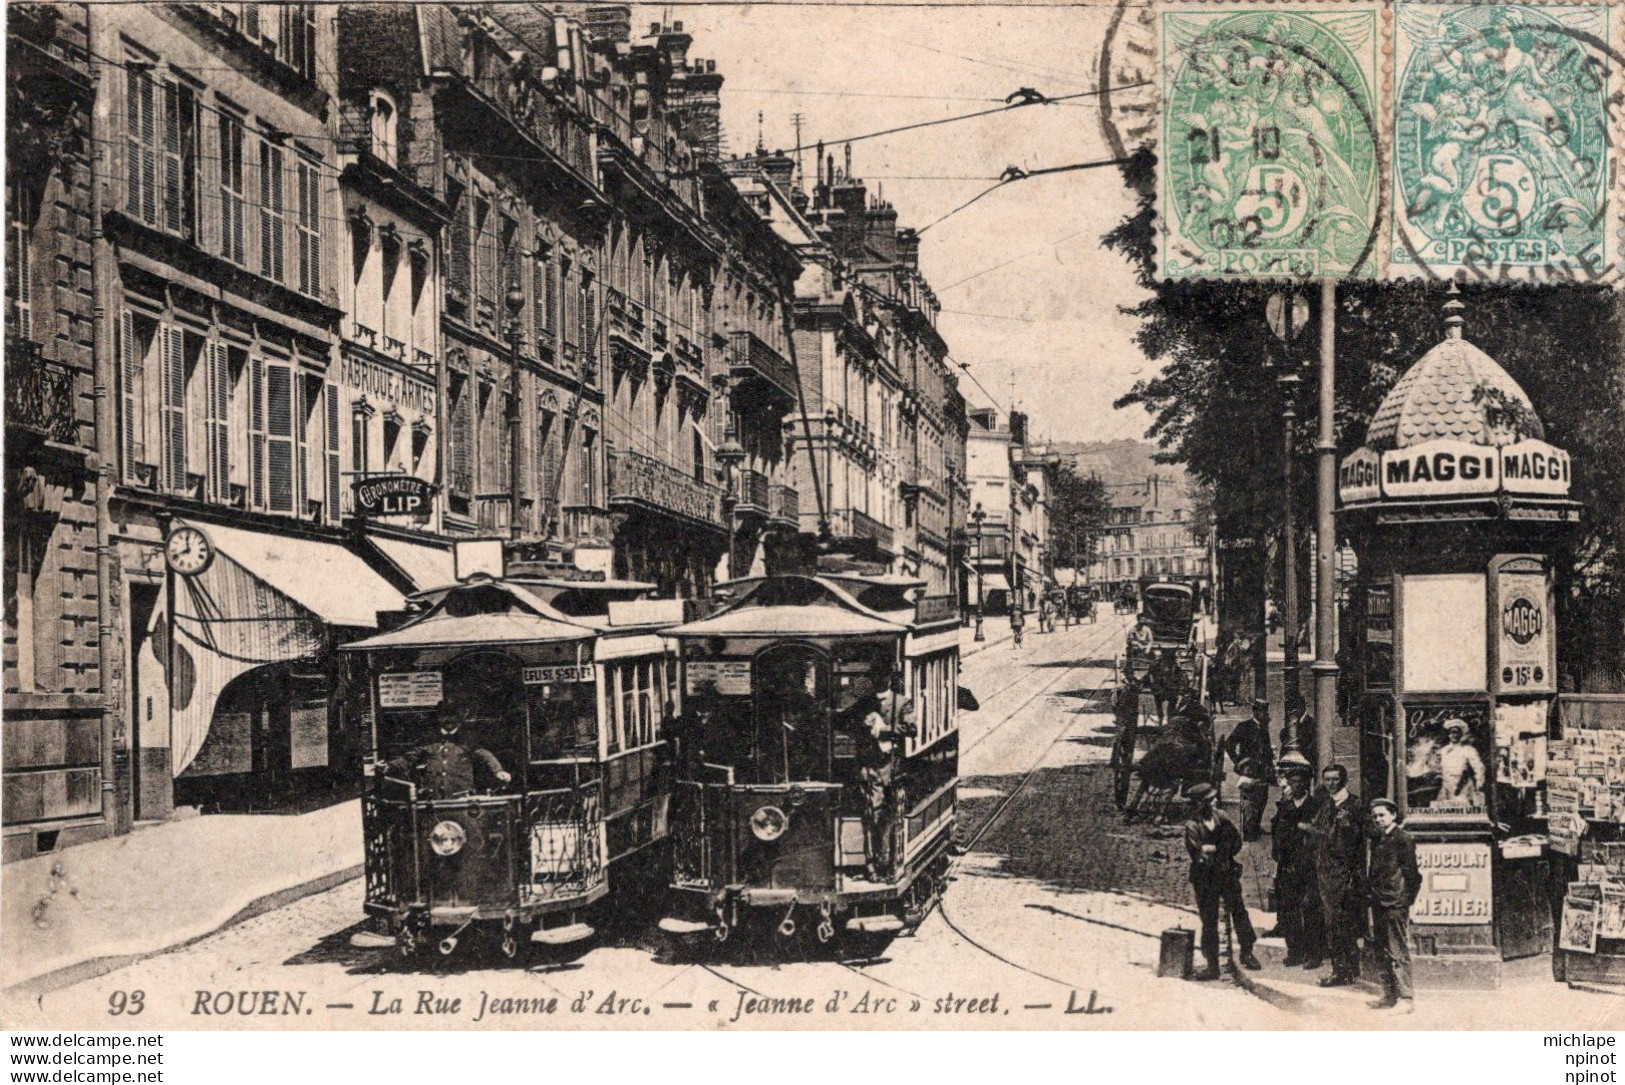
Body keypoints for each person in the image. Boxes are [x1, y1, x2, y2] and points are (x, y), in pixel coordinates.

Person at [1183, 782, 1262, 980]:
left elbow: (1235, 842)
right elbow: (1198, 854)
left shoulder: (1222, 817)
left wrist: (1214, 849)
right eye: (1211, 799)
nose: (1216, 801)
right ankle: (1212, 965)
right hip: (1205, 879)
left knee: (1239, 912)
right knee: (1209, 920)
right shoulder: (1192, 825)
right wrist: (1218, 850)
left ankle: (1247, 952)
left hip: (1226, 873)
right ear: (1201, 804)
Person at [853, 671, 916, 880]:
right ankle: (872, 864)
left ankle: (890, 862)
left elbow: (911, 727)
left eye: (884, 676)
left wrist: (885, 730)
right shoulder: (864, 703)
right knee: (872, 813)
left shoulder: (902, 702)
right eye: (876, 676)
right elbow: (848, 722)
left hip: (895, 767)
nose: (881, 680)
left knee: (892, 816)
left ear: (889, 678)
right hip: (872, 767)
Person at [1309, 762, 1367, 987]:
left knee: (1342, 923)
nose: (1331, 783)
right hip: (1327, 873)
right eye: (1327, 779)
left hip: (1346, 874)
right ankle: (1345, 969)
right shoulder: (1326, 805)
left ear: (1344, 780)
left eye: (1335, 779)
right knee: (1334, 923)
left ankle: (1343, 971)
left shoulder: (1355, 805)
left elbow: (1359, 842)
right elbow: (1320, 832)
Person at [1269, 751, 1325, 969]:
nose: (1296, 784)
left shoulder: (1314, 806)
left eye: (1301, 781)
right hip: (1287, 863)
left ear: (1307, 784)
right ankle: (1295, 951)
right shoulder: (1283, 806)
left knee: (1311, 909)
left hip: (1309, 864)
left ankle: (1314, 953)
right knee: (1288, 909)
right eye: (1293, 780)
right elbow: (1279, 832)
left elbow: (1316, 833)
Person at [1367, 798, 1422, 1014]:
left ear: (1393, 815)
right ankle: (1389, 995)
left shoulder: (1403, 839)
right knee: (1382, 951)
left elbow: (1413, 876)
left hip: (1394, 904)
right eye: (1375, 816)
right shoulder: (1379, 838)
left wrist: (1404, 901)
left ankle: (1406, 999)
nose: (1378, 819)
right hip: (1379, 902)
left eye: (1382, 815)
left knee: (1398, 950)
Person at [379, 713, 511, 799]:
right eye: (444, 716)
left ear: (459, 722)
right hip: (433, 798)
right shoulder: (429, 742)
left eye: (453, 717)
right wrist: (388, 766)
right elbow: (408, 759)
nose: (449, 720)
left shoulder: (467, 742)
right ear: (439, 720)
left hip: (462, 797)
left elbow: (485, 755)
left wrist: (498, 771)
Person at [1220, 698, 1275, 840]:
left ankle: (1255, 826)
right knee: (1249, 799)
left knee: (1262, 797)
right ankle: (1249, 830)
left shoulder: (1264, 728)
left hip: (1262, 769)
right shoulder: (1244, 727)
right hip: (1249, 769)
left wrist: (1271, 768)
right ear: (1256, 712)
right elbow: (1229, 744)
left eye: (1265, 711)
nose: (1265, 714)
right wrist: (1238, 761)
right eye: (1262, 711)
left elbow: (1267, 751)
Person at [1436, 719, 1486, 807]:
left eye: (1456, 732)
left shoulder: (1468, 750)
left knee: (1463, 808)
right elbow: (1440, 768)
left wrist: (1479, 781)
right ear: (1448, 734)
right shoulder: (1444, 751)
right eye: (1451, 732)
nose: (1454, 735)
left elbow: (1479, 767)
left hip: (1463, 785)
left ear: (1461, 734)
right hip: (1447, 785)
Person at [1282, 692, 1318, 772]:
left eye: (1293, 708)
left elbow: (1311, 747)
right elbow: (1284, 742)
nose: (1290, 712)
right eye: (1289, 709)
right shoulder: (1290, 723)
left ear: (1302, 706)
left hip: (1306, 765)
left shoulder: (1312, 723)